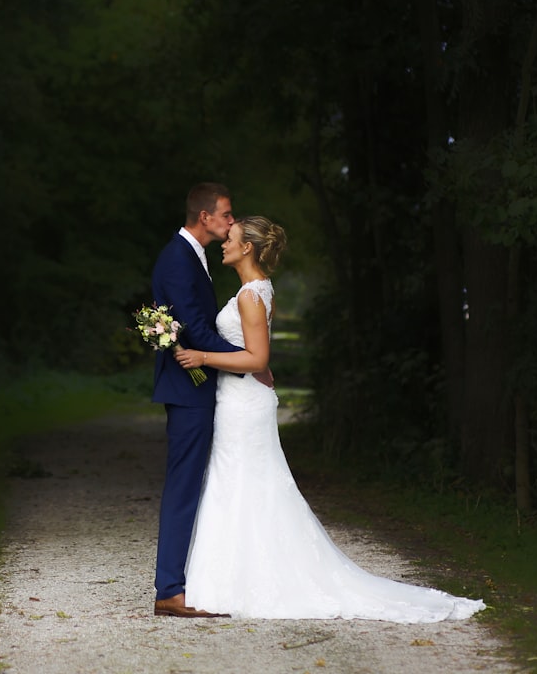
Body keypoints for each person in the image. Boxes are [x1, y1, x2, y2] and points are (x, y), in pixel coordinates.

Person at [173, 216, 487, 622]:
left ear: (247, 247)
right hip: (240, 398)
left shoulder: (251, 295)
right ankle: (229, 577)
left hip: (243, 401)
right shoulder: (256, 289)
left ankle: (241, 581)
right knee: (241, 484)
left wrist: (201, 358)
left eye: (230, 239)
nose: (224, 244)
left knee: (244, 482)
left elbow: (257, 358)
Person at [150, 182, 244, 618]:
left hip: (199, 382)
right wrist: (249, 362)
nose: (230, 222)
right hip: (188, 389)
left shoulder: (192, 255)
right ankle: (169, 589)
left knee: (195, 485)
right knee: (184, 487)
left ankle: (187, 580)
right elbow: (198, 332)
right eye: (226, 214)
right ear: (204, 217)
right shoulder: (177, 258)